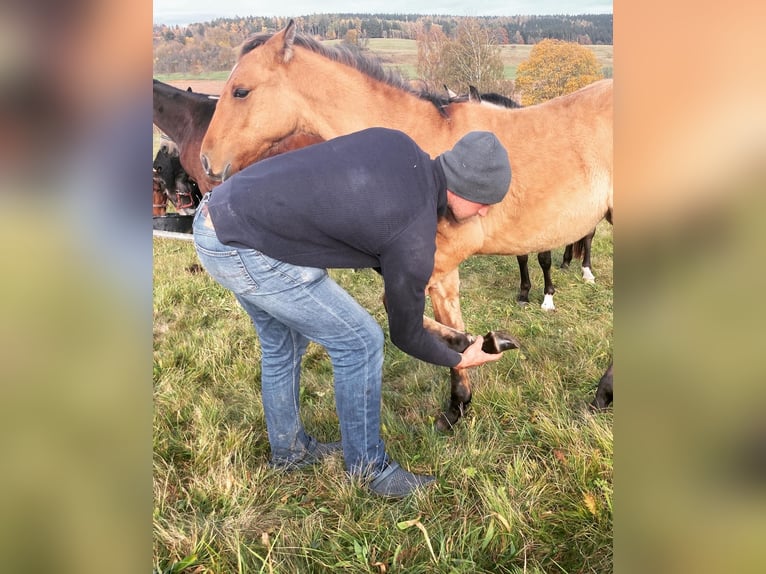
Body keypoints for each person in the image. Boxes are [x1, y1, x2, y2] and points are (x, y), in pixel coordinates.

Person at [192, 127, 512, 498]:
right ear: (465, 188)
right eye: (485, 201)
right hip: (243, 247)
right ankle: (369, 469)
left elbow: (369, 223)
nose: (485, 210)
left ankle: (290, 452)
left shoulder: (401, 145)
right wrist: (459, 357)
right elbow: (405, 333)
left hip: (221, 217)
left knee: (283, 345)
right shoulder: (414, 230)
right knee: (361, 342)